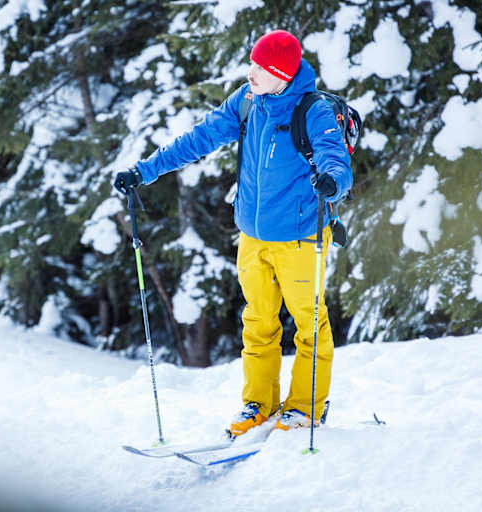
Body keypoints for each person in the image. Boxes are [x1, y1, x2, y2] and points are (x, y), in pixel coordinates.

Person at [113, 30, 351, 437]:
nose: (250, 73)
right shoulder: (246, 101)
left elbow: (335, 159)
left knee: (310, 325)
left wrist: (332, 181)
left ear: (282, 74)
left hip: (300, 237)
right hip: (253, 237)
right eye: (251, 64)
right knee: (258, 323)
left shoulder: (312, 111)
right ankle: (259, 403)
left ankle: (305, 407)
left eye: (260, 68)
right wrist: (144, 171)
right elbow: (199, 138)